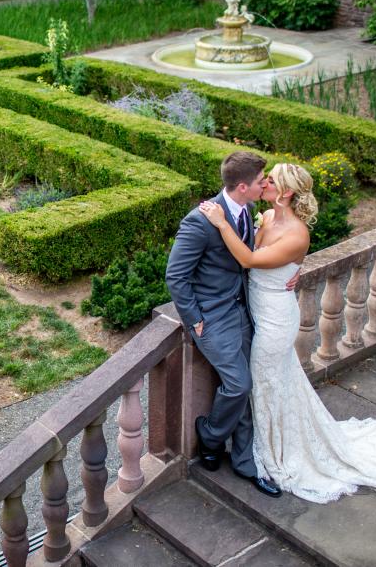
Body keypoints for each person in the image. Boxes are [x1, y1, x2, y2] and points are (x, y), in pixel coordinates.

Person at [198, 163, 376, 503]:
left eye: (270, 180)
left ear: (286, 192)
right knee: (273, 383)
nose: (265, 183)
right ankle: (256, 448)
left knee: (264, 383)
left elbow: (247, 260)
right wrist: (293, 269)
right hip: (254, 309)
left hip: (274, 319)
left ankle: (273, 454)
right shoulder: (268, 218)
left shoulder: (297, 234)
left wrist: (220, 222)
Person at [166, 151, 283, 497]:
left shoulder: (247, 211)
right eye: (262, 180)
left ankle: (245, 462)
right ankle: (211, 435)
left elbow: (250, 258)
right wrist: (196, 321)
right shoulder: (199, 222)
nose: (266, 184)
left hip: (244, 311)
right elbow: (176, 276)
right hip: (213, 318)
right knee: (238, 385)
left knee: (247, 389)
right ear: (244, 186)